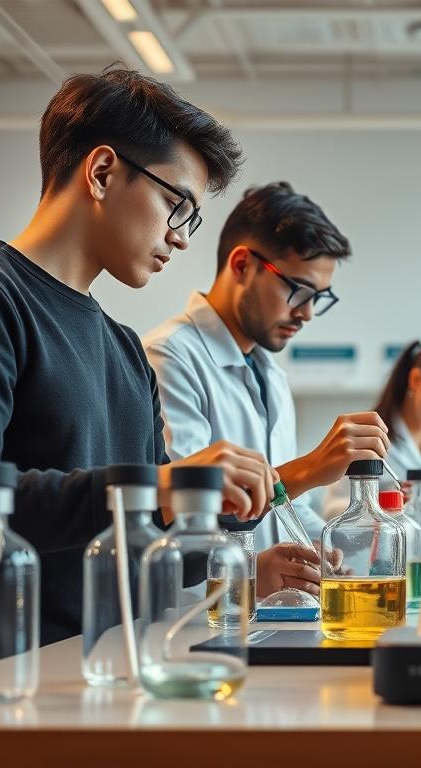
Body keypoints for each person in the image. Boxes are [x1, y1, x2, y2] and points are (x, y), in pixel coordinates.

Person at [0, 68, 282, 696]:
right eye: (178, 205)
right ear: (100, 172)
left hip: (88, 682)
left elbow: (148, 538)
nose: (179, 235)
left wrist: (234, 550)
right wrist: (158, 487)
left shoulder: (124, 349)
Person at [145, 181, 390, 599]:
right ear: (242, 265)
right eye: (298, 290)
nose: (308, 313)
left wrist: (336, 547)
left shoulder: (270, 374)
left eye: (320, 297)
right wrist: (310, 468)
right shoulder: (168, 357)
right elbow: (179, 520)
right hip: (193, 626)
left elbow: (288, 512)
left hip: (267, 618)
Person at [323, 338, 421, 533]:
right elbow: (331, 513)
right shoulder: (366, 434)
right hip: (387, 560)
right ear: (416, 380)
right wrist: (376, 506)